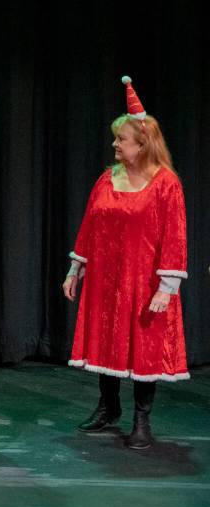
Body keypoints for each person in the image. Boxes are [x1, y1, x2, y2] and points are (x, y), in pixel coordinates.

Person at [63, 76, 188, 450]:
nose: (115, 145)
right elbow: (89, 225)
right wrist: (75, 269)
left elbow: (175, 237)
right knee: (105, 341)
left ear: (142, 144)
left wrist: (167, 288)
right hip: (106, 277)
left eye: (122, 139)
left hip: (145, 280)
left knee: (143, 347)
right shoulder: (107, 178)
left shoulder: (166, 184)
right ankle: (108, 406)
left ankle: (141, 419)